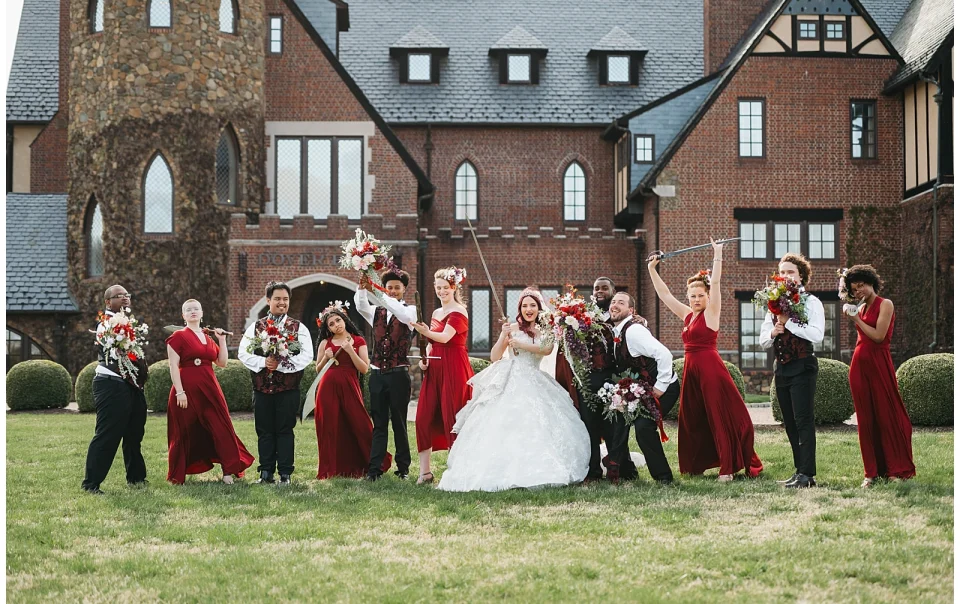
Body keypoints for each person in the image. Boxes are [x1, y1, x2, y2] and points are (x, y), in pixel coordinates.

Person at [438, 288, 590, 491]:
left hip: (534, 378)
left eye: (532, 305)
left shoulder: (546, 330)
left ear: (539, 308)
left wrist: (521, 344)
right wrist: (504, 336)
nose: (529, 309)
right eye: (525, 305)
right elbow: (494, 356)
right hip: (509, 377)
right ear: (520, 308)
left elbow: (546, 349)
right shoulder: (511, 328)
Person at [647, 240, 763, 481]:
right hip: (691, 370)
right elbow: (665, 294)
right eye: (692, 296)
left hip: (710, 369)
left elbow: (717, 282)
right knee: (692, 417)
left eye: (700, 295)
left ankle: (728, 468)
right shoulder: (687, 315)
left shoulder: (711, 313)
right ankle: (696, 464)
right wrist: (652, 269)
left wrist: (717, 254)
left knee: (718, 415)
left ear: (708, 297)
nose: (696, 299)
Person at [166, 299, 254, 484]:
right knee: (182, 431)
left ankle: (228, 471)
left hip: (210, 389)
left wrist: (222, 340)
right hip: (186, 390)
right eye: (188, 310)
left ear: (202, 313)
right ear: (183, 316)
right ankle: (177, 474)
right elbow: (173, 366)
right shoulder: (177, 337)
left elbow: (222, 363)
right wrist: (179, 392)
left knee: (221, 427)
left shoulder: (208, 337)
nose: (192, 312)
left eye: (196, 309)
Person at [844, 265, 915, 487]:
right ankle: (871, 473)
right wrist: (856, 314)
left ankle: (894, 469)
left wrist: (856, 320)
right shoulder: (861, 308)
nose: (859, 291)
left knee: (887, 415)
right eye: (854, 289)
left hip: (879, 364)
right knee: (865, 420)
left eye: (862, 285)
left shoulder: (886, 304)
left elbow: (878, 335)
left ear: (871, 282)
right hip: (859, 366)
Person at [759, 253, 825, 489]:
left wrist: (789, 323)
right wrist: (773, 331)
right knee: (790, 422)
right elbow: (763, 340)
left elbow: (817, 334)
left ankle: (808, 475)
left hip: (803, 366)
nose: (785, 276)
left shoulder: (811, 302)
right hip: (782, 369)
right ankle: (799, 471)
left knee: (803, 420)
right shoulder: (773, 303)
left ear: (801, 276)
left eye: (790, 272)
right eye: (782, 272)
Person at [238, 281, 314, 485]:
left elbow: (307, 356)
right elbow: (243, 353)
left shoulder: (299, 328)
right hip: (262, 389)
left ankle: (285, 473)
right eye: (278, 299)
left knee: (285, 430)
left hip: (288, 390)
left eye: (286, 299)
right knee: (264, 431)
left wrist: (280, 365)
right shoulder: (256, 326)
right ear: (268, 300)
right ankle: (265, 472)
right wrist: (264, 362)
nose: (282, 303)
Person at [81, 285, 150, 494]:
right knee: (108, 434)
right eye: (119, 296)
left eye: (127, 295)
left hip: (132, 386)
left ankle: (136, 478)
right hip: (111, 384)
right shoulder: (105, 325)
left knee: (134, 433)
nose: (124, 298)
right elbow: (118, 351)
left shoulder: (129, 322)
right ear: (108, 302)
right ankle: (91, 484)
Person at [607, 291, 680, 484]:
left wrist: (661, 385)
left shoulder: (633, 331)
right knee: (623, 424)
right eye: (613, 302)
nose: (614, 305)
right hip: (642, 391)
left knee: (644, 427)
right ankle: (625, 472)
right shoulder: (617, 331)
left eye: (620, 303)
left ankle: (664, 478)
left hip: (664, 387)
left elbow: (664, 354)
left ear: (630, 310)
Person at [411, 266, 474, 485]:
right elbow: (431, 344)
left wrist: (424, 331)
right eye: (438, 288)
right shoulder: (436, 313)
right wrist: (424, 360)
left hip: (454, 367)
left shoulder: (460, 311)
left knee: (452, 416)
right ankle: (425, 472)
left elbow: (446, 337)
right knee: (423, 418)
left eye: (445, 288)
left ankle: (457, 470)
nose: (441, 292)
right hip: (435, 368)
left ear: (453, 287)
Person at [314, 303, 392, 479]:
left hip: (350, 385)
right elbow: (318, 370)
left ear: (345, 320)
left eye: (338, 320)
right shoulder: (325, 343)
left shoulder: (358, 340)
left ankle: (371, 463)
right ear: (328, 328)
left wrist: (351, 352)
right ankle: (330, 468)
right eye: (331, 324)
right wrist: (325, 358)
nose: (336, 325)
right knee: (329, 426)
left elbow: (364, 368)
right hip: (327, 387)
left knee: (360, 423)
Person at [354, 269, 416, 481]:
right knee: (379, 423)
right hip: (378, 374)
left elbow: (400, 313)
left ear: (404, 290)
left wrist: (380, 293)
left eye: (397, 288)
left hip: (399, 375)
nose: (393, 291)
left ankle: (403, 468)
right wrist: (362, 288)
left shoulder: (411, 312)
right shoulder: (377, 312)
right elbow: (361, 306)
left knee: (399, 422)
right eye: (389, 287)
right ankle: (374, 469)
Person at [553, 277, 617, 482]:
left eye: (604, 288)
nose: (600, 291)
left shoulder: (619, 316)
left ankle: (618, 468)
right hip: (587, 379)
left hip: (611, 378)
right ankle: (593, 471)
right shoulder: (583, 316)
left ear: (613, 292)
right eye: (596, 288)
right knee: (589, 426)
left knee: (613, 426)